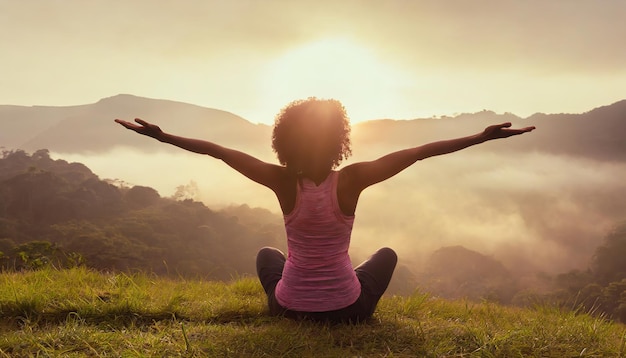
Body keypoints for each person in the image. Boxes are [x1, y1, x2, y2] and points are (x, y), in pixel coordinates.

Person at [115, 97, 535, 323]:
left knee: (267, 256)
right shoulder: (351, 180)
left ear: (285, 142)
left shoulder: (280, 181)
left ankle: (292, 300)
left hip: (289, 307)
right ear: (340, 141)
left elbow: (219, 151)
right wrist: (481, 137)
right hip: (347, 310)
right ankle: (338, 289)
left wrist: (163, 137)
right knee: (385, 256)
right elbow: (419, 152)